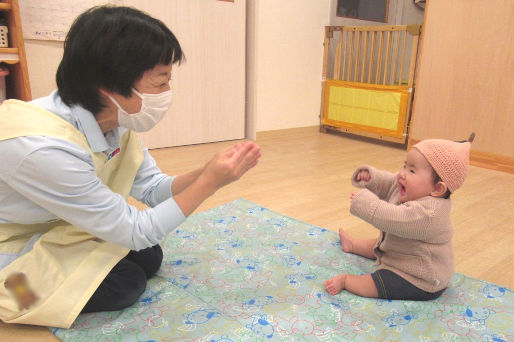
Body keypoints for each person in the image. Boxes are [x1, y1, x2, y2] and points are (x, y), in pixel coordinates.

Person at [0, 5, 260, 328]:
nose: (167, 93)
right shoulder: (42, 148)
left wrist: (206, 172)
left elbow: (152, 190)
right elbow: (138, 230)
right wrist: (208, 183)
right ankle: (17, 294)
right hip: (13, 250)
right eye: (160, 82)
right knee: (127, 284)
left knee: (149, 257)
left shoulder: (114, 121)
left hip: (57, 226)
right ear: (110, 87)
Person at [324, 134, 474, 301]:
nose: (402, 174)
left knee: (383, 282)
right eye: (404, 166)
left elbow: (393, 218)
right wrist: (372, 178)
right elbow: (390, 183)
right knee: (381, 243)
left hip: (419, 278)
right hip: (403, 253)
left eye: (411, 170)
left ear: (437, 189)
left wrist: (366, 203)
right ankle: (352, 245)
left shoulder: (429, 214)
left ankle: (347, 281)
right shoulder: (412, 188)